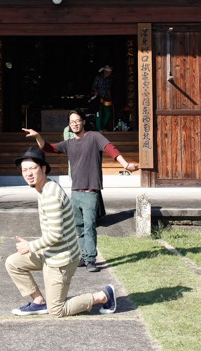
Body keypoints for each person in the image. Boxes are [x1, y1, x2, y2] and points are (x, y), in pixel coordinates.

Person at [5, 147, 117, 317]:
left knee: (57, 310)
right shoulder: (45, 187)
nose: (28, 173)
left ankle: (103, 296)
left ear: (43, 168)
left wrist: (30, 246)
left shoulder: (50, 195)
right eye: (24, 170)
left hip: (61, 260)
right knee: (13, 263)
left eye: (33, 168)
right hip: (50, 252)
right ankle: (38, 302)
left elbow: (55, 235)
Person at [23, 109, 139, 272]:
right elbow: (47, 147)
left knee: (89, 226)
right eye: (72, 122)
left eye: (77, 120)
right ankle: (85, 256)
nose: (75, 124)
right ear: (69, 125)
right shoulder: (69, 144)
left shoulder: (94, 137)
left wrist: (125, 164)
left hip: (91, 191)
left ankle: (91, 259)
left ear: (83, 121)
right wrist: (37, 136)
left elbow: (110, 147)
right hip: (76, 191)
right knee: (79, 227)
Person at [92, 65, 114, 131]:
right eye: (109, 73)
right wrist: (96, 92)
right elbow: (93, 86)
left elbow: (108, 89)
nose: (110, 74)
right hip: (98, 97)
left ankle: (103, 127)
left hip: (105, 98)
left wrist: (110, 98)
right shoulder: (98, 77)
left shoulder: (109, 80)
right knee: (99, 113)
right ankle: (99, 128)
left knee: (108, 113)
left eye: (110, 73)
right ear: (105, 72)